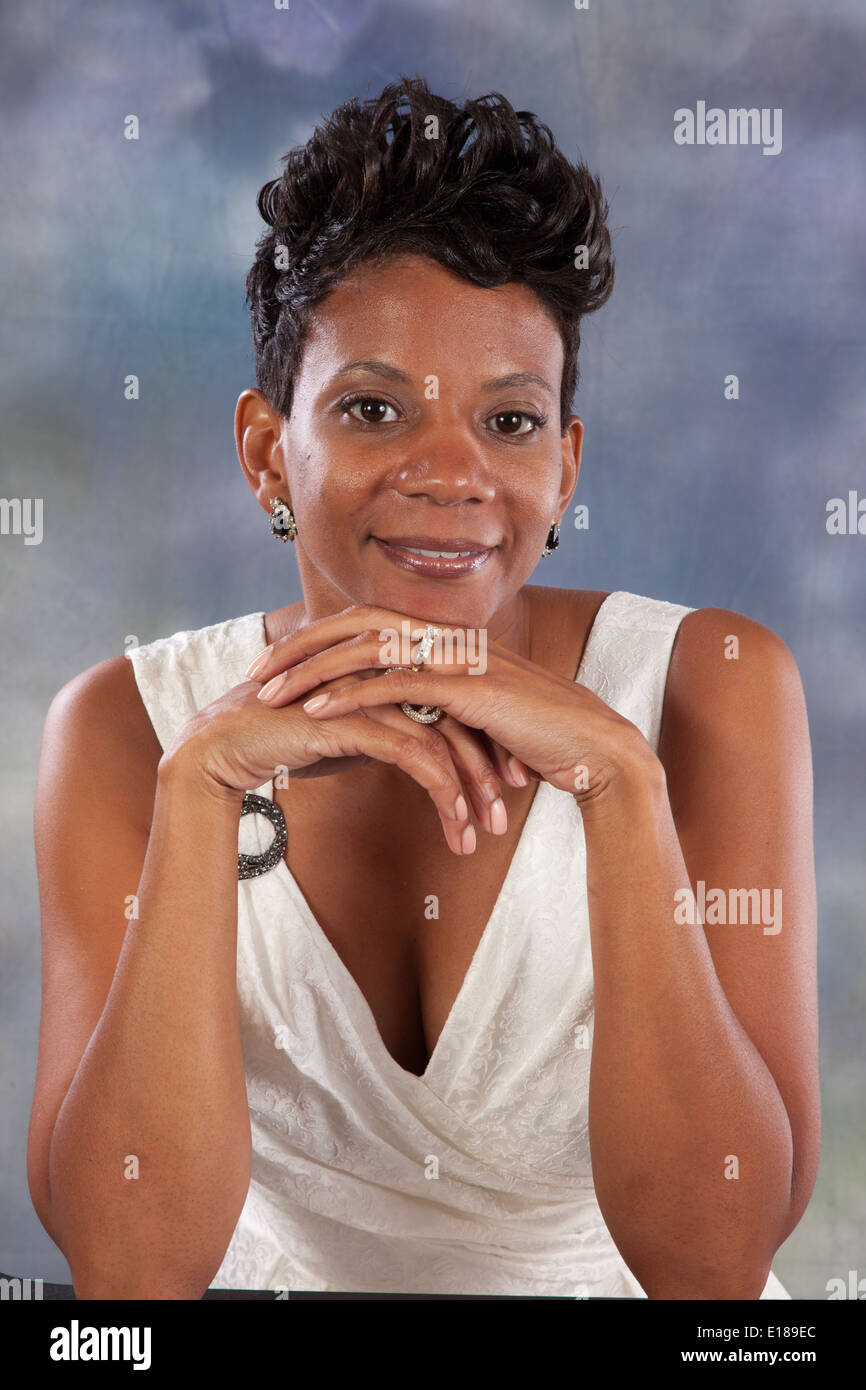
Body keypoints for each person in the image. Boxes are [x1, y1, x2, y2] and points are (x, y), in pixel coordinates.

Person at [28, 75, 818, 1299]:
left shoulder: (712, 687)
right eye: (374, 407)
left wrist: (617, 784)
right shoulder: (127, 730)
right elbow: (127, 1283)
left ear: (562, 469)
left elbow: (715, 1270)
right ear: (265, 450)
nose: (451, 473)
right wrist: (198, 797)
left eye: (507, 423)